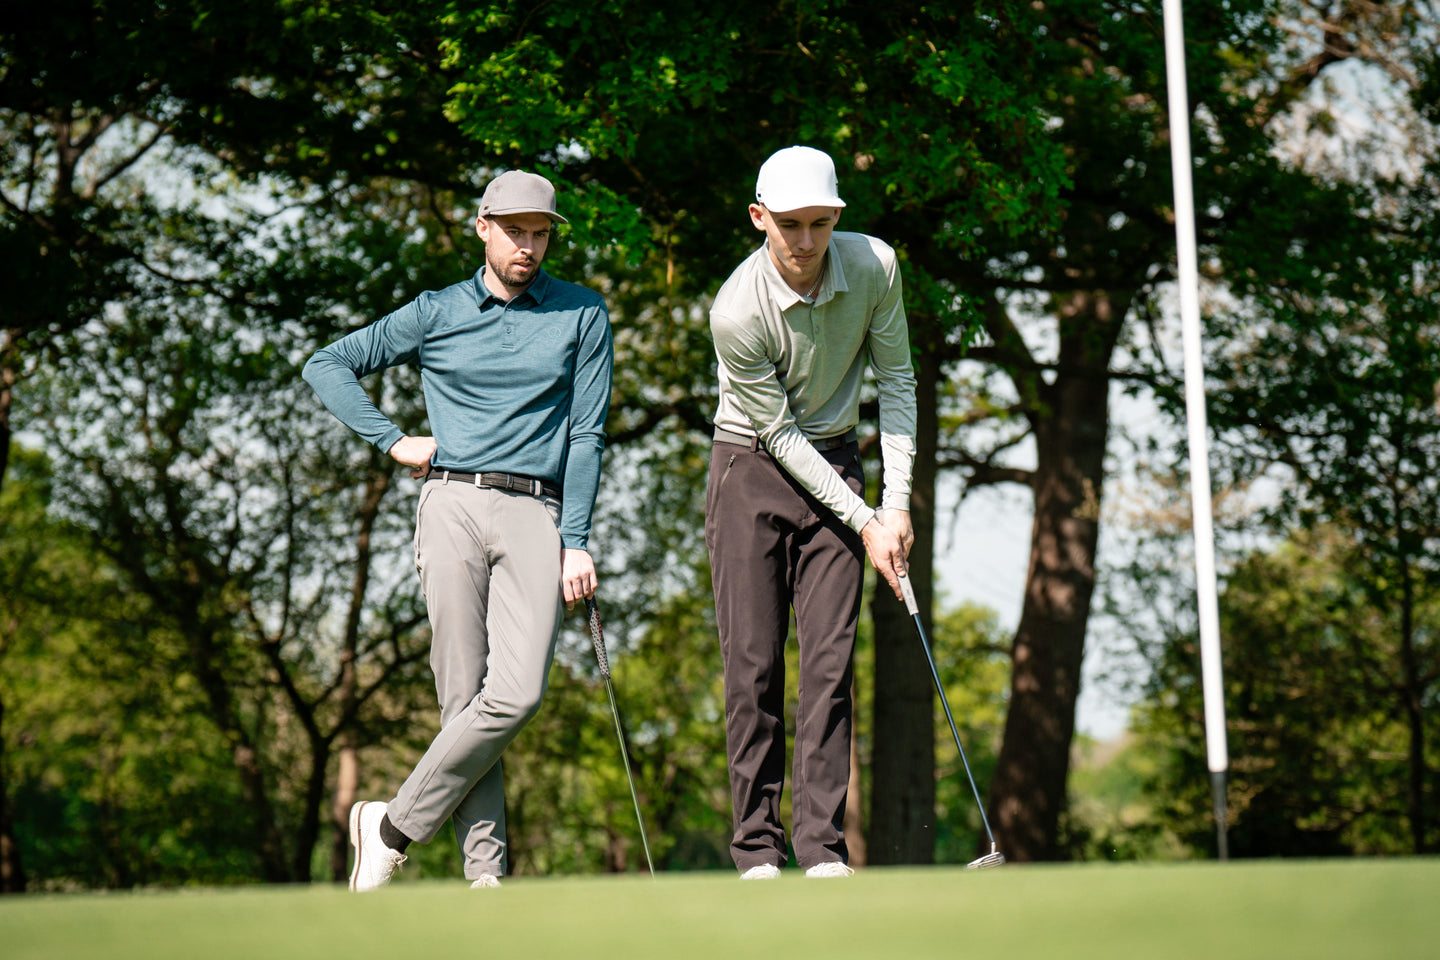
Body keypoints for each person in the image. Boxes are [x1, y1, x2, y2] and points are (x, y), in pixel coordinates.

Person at [303, 170, 614, 890]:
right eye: (516, 232)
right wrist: (390, 439)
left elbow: (589, 434)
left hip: (536, 510)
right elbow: (330, 364)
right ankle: (486, 882)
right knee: (462, 699)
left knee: (515, 695)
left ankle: (389, 828)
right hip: (450, 504)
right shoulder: (436, 311)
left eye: (541, 234)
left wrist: (577, 537)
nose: (529, 247)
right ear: (483, 227)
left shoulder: (581, 313)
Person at [706, 145, 917, 879]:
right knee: (754, 667)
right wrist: (864, 518)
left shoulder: (876, 268)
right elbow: (781, 436)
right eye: (789, 224)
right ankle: (758, 850)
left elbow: (896, 382)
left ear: (838, 219)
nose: (804, 242)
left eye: (820, 224)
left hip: (841, 459)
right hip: (750, 467)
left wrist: (895, 505)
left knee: (830, 666)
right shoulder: (737, 311)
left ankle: (823, 851)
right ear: (760, 218)